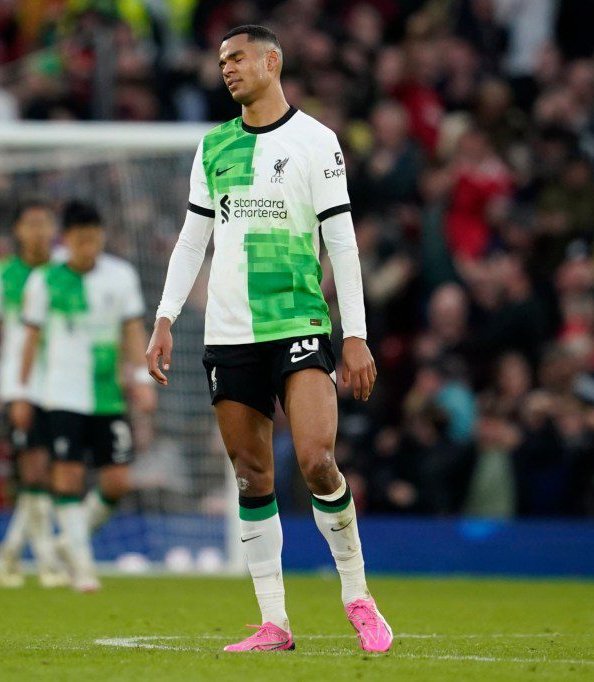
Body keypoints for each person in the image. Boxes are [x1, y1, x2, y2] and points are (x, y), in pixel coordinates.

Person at [147, 24, 391, 653]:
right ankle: (274, 623)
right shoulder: (215, 147)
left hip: (300, 322)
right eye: (221, 61)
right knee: (252, 475)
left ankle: (358, 596)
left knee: (315, 460)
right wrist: (166, 317)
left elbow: (342, 242)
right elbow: (192, 239)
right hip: (230, 333)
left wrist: (356, 334)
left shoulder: (316, 142)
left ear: (271, 60)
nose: (226, 69)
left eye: (237, 57)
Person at [18, 200, 156, 592]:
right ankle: (82, 563)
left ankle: (69, 540)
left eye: (94, 239)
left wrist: (142, 382)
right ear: (66, 240)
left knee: (117, 481)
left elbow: (132, 331)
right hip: (60, 393)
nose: (88, 247)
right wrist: (24, 392)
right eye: (81, 240)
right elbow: (30, 340)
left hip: (107, 393)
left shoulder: (120, 276)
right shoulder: (44, 280)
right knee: (68, 473)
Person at [0, 199, 67, 589]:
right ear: (17, 230)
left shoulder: (66, 271)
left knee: (53, 473)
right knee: (35, 467)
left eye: (46, 222)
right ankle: (45, 561)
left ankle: (10, 551)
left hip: (64, 382)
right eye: (32, 223)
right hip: (19, 382)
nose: (39, 230)